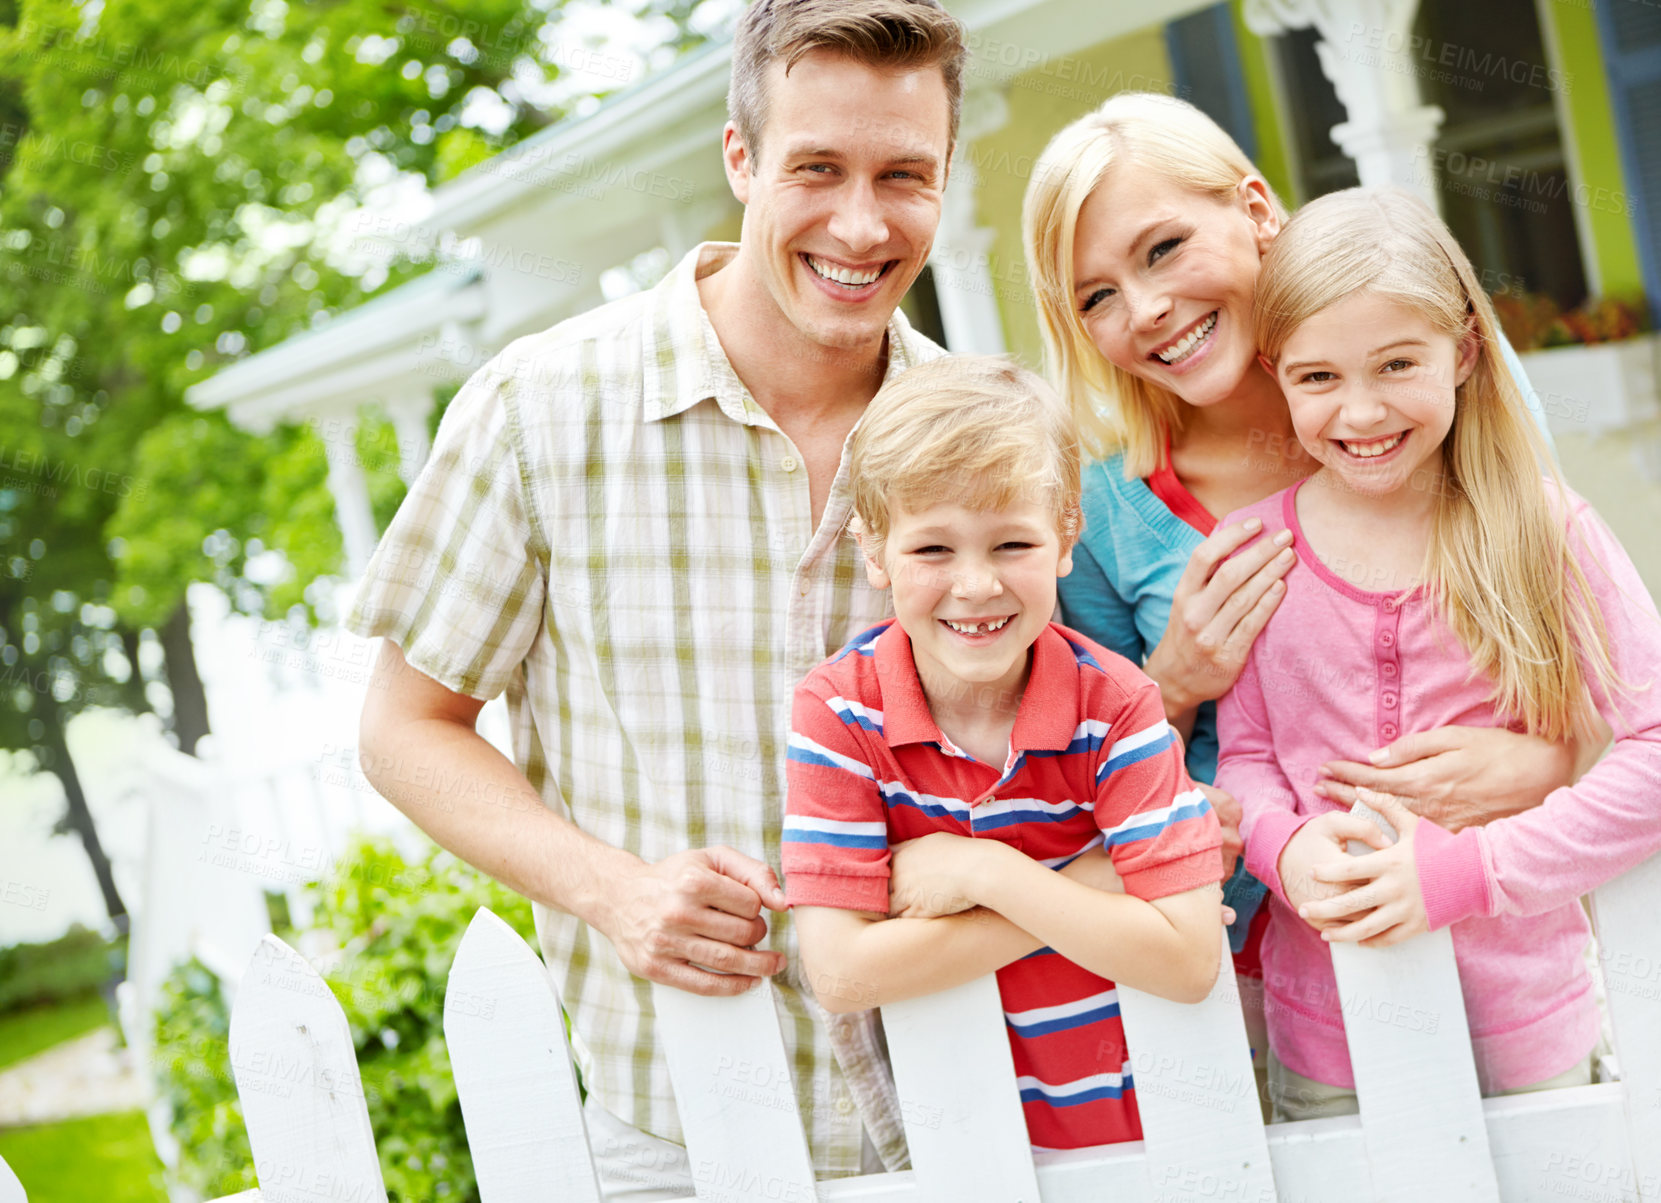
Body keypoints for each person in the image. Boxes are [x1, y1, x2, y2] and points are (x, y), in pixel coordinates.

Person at [346, 1, 966, 1193]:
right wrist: (616, 893)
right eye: (816, 168)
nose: (859, 222)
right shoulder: (540, 407)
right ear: (738, 158)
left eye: (903, 176)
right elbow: (401, 730)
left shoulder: (974, 428)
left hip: (965, 1098)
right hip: (676, 1126)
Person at [1020, 92, 1594, 1044]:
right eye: (1096, 296)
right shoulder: (1104, 519)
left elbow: (1564, 633)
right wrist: (1170, 685)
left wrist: (1552, 757)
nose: (1147, 308)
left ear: (1252, 208)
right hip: (1255, 988)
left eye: (1161, 249)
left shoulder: (1435, 395)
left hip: (1496, 955)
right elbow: (1073, 796)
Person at [1215, 186, 1661, 1120]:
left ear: (1461, 352)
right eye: (1318, 378)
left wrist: (1467, 872)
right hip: (1329, 1034)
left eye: (1396, 363)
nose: (1361, 410)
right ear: (1275, 372)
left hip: (1527, 1025)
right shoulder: (1257, 550)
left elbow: (1652, 747)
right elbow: (1249, 758)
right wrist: (1283, 848)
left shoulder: (1542, 529)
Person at [782, 354, 1226, 1150]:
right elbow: (842, 972)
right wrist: (1084, 882)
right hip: (967, 1144)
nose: (977, 585)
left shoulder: (1115, 704)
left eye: (1011, 543)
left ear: (1064, 537)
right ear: (873, 550)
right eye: (932, 551)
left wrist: (983, 872)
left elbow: (1189, 958)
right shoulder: (839, 712)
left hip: (1151, 1130)